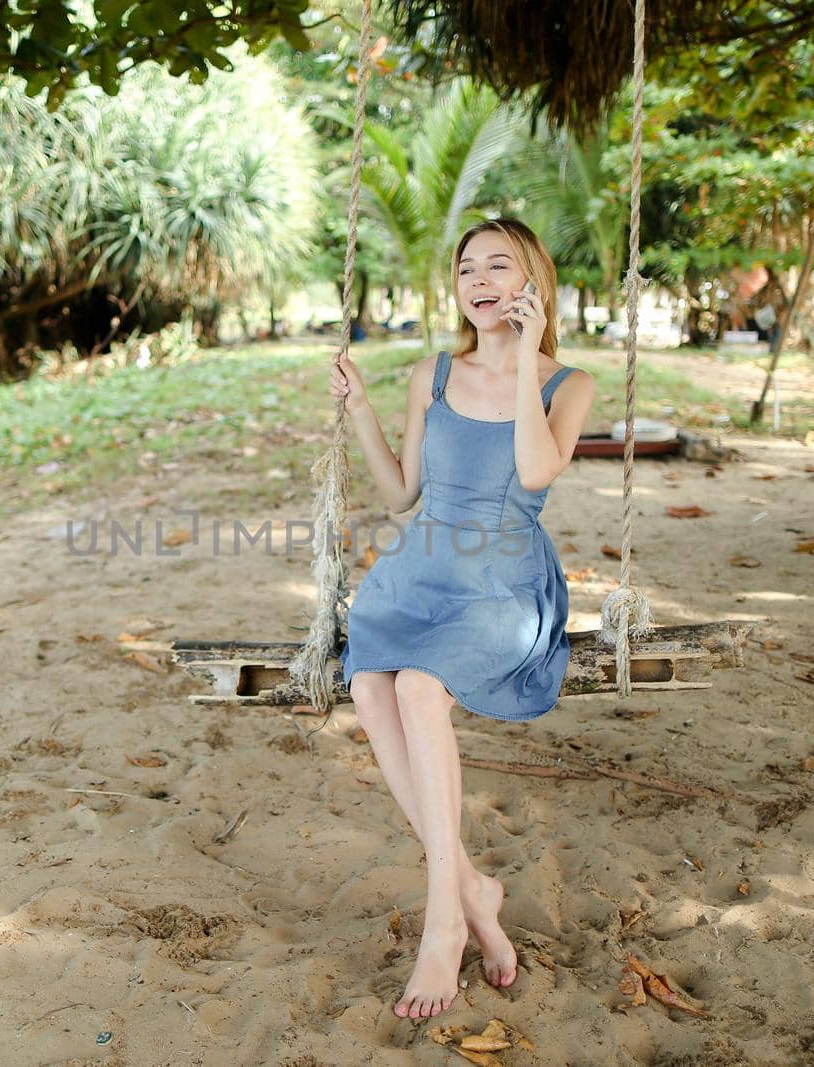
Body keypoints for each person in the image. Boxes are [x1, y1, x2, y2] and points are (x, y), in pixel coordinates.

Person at [327, 217, 596, 1020]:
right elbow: (400, 493)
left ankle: (447, 921)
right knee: (371, 688)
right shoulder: (432, 373)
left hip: (503, 582)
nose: (479, 280)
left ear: (532, 279)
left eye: (498, 267)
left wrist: (523, 358)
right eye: (466, 268)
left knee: (417, 686)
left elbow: (536, 466)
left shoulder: (566, 383)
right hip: (420, 571)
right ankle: (473, 888)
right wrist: (361, 408)